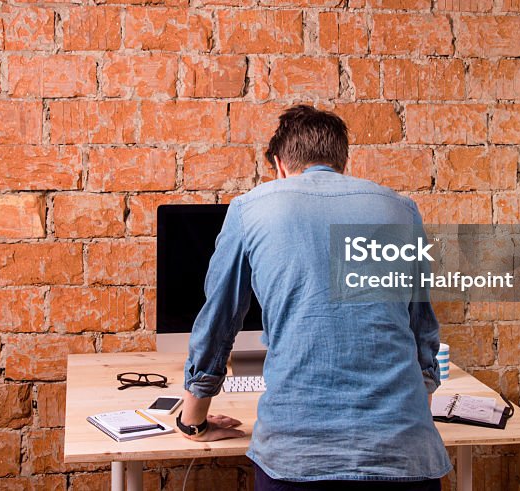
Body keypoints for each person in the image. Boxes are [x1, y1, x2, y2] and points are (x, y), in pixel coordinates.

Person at [176, 105, 451, 490]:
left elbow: (219, 319)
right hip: (405, 456)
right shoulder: (402, 210)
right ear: (343, 161)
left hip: (297, 458)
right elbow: (422, 329)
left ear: (279, 164)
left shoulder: (250, 208)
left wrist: (194, 419)